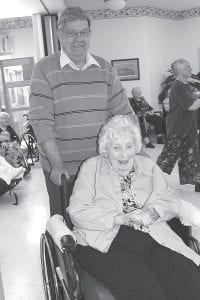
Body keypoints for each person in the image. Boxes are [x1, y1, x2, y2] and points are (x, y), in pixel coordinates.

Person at [66, 114, 200, 300]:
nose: (124, 154)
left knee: (189, 277)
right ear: (106, 149)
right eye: (117, 148)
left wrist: (153, 212)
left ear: (136, 146)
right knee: (148, 293)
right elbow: (77, 211)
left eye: (129, 146)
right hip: (102, 241)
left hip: (150, 234)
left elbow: (169, 199)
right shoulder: (91, 167)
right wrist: (119, 218)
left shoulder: (148, 166)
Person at [29, 7, 146, 216]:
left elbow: (124, 114)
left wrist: (139, 149)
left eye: (84, 32)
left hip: (102, 166)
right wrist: (57, 165)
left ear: (90, 34)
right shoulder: (44, 69)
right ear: (59, 35)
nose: (78, 39)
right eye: (71, 33)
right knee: (67, 223)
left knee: (103, 220)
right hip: (63, 169)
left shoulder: (105, 68)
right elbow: (41, 123)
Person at [157, 59, 200, 192]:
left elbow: (191, 100)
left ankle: (198, 183)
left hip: (188, 127)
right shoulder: (178, 86)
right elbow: (191, 106)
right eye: (188, 67)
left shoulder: (184, 84)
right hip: (178, 128)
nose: (191, 69)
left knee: (192, 156)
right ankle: (148, 179)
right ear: (180, 71)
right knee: (168, 157)